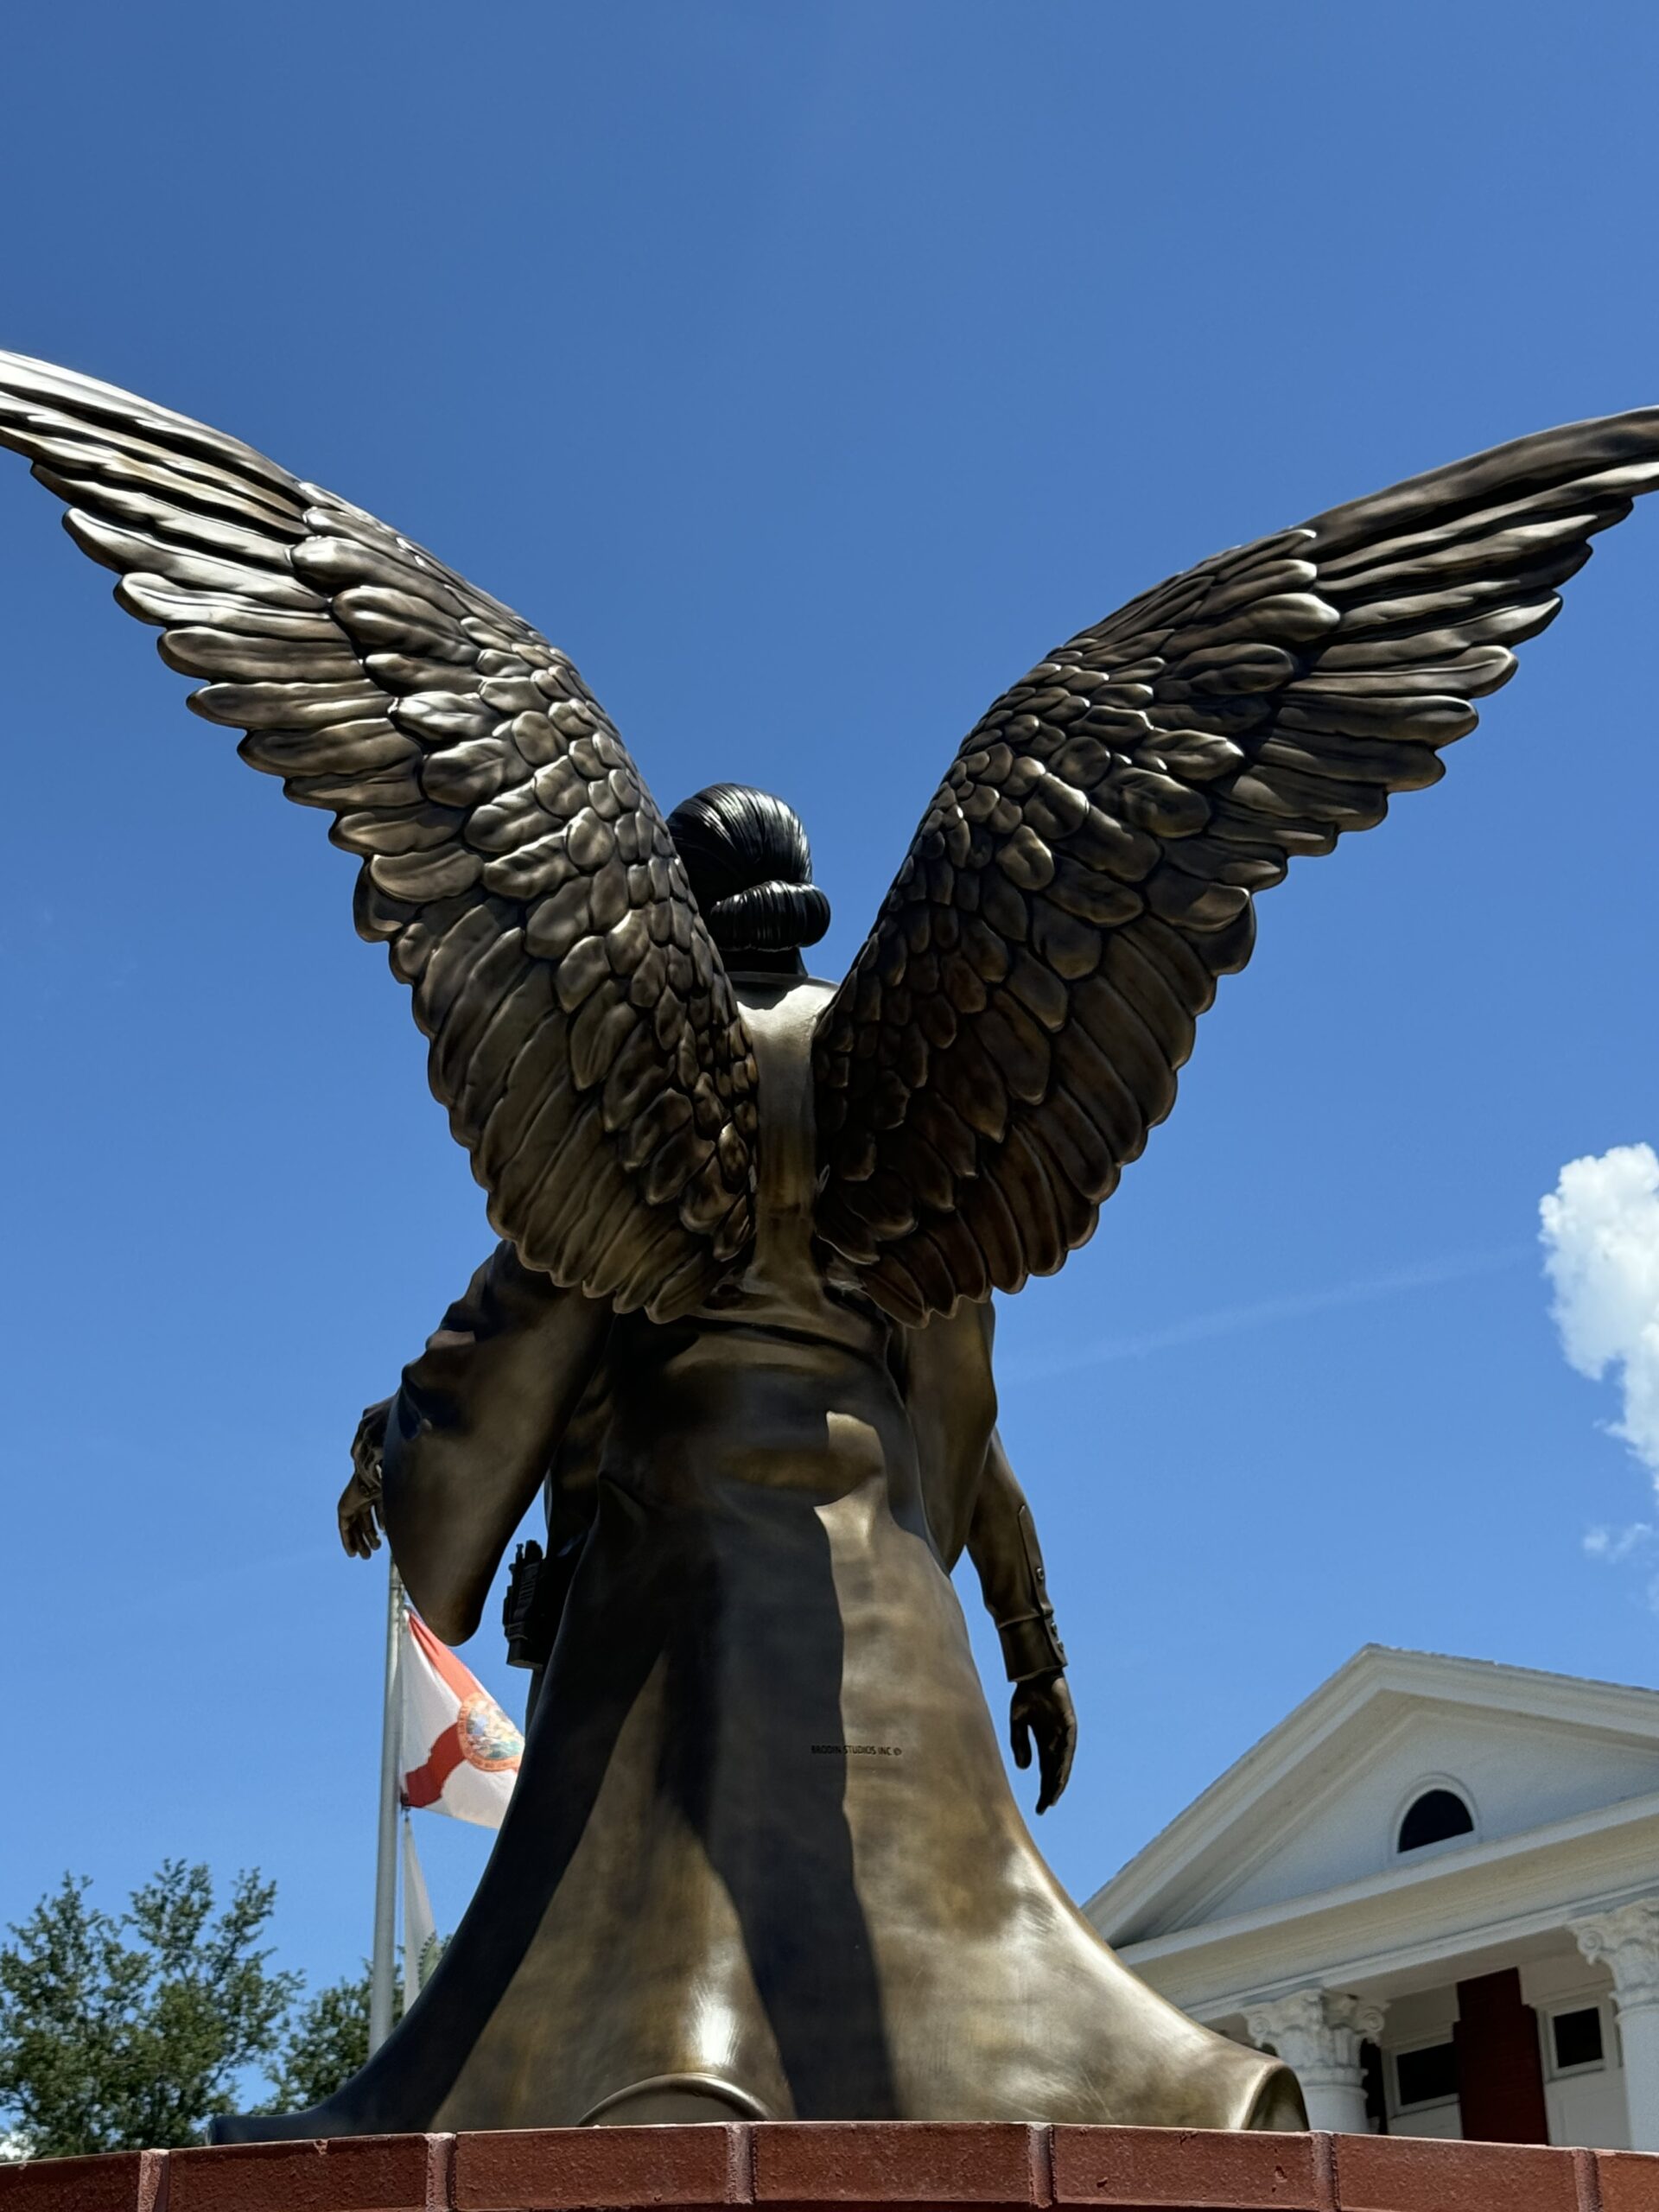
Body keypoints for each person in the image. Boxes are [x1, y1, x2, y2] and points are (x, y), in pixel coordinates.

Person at [224, 786, 1300, 2136]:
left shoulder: (638, 1071)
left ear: (676, 906)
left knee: (654, 1935)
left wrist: (396, 1446)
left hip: (669, 1592)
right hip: (880, 1597)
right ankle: (1119, 2099)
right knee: (954, 1936)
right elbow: (963, 1400)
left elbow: (527, 1321)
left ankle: (662, 2082)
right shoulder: (917, 1079)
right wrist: (1025, 1635)